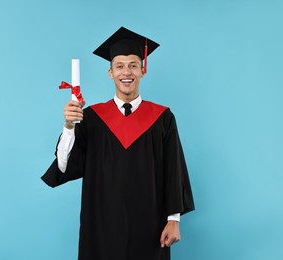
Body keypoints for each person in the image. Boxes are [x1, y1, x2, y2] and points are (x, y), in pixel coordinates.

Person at [41, 26, 194, 260]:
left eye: (133, 65)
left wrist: (173, 220)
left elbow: (174, 170)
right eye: (119, 66)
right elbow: (64, 165)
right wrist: (69, 126)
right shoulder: (92, 118)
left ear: (143, 71)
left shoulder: (163, 118)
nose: (127, 72)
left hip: (150, 224)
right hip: (101, 224)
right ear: (110, 73)